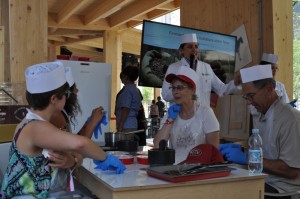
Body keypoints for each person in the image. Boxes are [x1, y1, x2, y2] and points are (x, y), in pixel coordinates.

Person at [0, 61, 126, 198]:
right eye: (66, 93)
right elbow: (81, 143)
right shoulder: (35, 127)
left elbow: (71, 153)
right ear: (54, 99)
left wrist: (74, 160)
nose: (70, 95)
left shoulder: (33, 123)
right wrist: (105, 158)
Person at [219, 65, 300, 198]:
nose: (248, 102)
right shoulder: (264, 116)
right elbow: (268, 155)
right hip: (264, 181)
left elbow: (292, 170)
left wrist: (247, 158)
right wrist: (241, 151)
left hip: (283, 190)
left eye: (251, 96)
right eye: (246, 97)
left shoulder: (290, 120)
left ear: (269, 88)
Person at [154, 66, 220, 164]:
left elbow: (213, 151)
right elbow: (157, 145)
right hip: (175, 169)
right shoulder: (170, 114)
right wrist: (170, 120)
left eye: (180, 88)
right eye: (173, 87)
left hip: (198, 170)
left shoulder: (206, 113)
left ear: (192, 90)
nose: (175, 92)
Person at [161, 33, 240, 107]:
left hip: (203, 116)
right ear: (181, 50)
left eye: (196, 46)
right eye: (190, 47)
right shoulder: (174, 68)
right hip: (182, 116)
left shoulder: (206, 67)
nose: (194, 50)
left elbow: (222, 89)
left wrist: (236, 83)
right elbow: (165, 95)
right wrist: (181, 88)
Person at [250, 53, 290, 128]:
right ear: (264, 68)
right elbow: (253, 109)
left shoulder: (281, 86)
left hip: (278, 124)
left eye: (276, 68)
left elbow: (286, 104)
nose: (274, 71)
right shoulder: (254, 85)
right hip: (261, 125)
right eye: (272, 68)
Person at [115, 66, 142, 134]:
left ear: (126, 77)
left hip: (126, 125)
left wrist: (120, 126)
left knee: (125, 144)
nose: (121, 79)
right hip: (132, 124)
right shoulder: (135, 90)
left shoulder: (127, 90)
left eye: (122, 77)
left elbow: (126, 108)